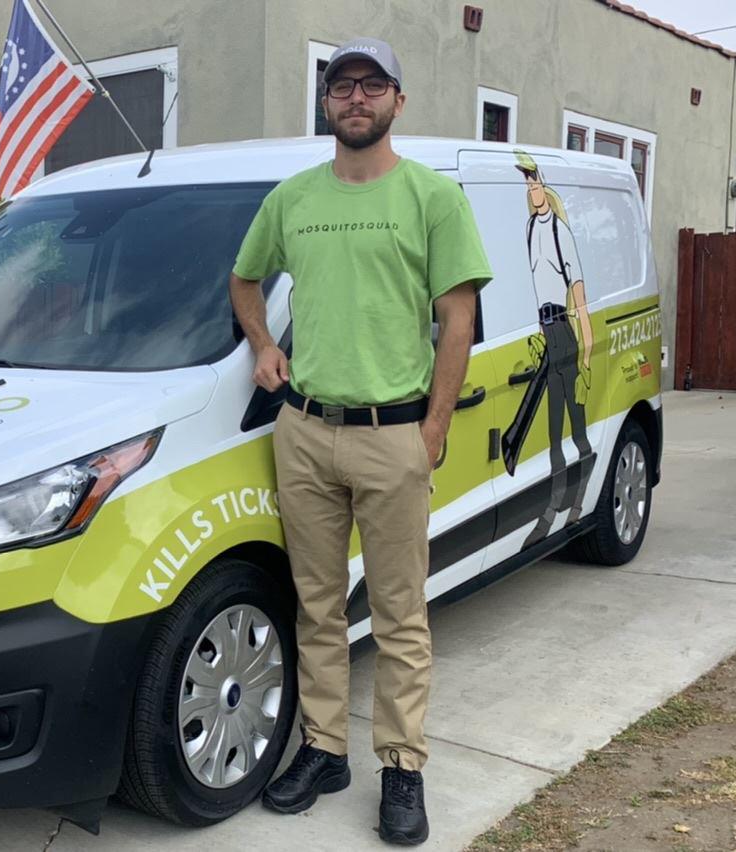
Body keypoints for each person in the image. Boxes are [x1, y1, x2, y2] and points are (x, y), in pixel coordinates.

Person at [228, 38, 492, 845]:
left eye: (372, 85)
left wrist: (435, 428)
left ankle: (402, 767)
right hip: (304, 429)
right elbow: (245, 277)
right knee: (316, 605)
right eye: (341, 86)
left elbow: (458, 321)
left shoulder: (430, 199)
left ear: (397, 103)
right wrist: (262, 345)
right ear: (327, 104)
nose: (355, 98)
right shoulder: (294, 197)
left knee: (399, 613)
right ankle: (324, 750)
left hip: (393, 435)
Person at [508, 150, 595, 546]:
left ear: (545, 183)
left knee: (576, 427)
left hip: (565, 332)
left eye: (534, 180)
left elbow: (578, 292)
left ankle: (579, 503)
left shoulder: (560, 231)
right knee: (552, 429)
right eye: (526, 182)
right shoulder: (530, 229)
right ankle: (552, 508)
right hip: (545, 330)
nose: (531, 188)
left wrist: (589, 351)